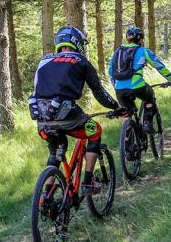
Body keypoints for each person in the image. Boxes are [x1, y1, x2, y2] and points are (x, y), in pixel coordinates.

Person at [30, 26, 122, 196]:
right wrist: (116, 107)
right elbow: (99, 93)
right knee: (95, 131)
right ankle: (87, 182)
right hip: (67, 115)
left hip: (42, 119)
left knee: (55, 151)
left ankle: (46, 195)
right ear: (77, 43)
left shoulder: (44, 60)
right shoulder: (81, 61)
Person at [109, 26, 171, 134]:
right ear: (140, 39)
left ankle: (126, 140)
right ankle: (147, 123)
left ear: (128, 39)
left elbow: (111, 72)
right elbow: (159, 66)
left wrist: (117, 86)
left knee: (127, 113)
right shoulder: (143, 51)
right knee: (149, 97)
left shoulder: (117, 52)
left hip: (119, 89)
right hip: (137, 86)